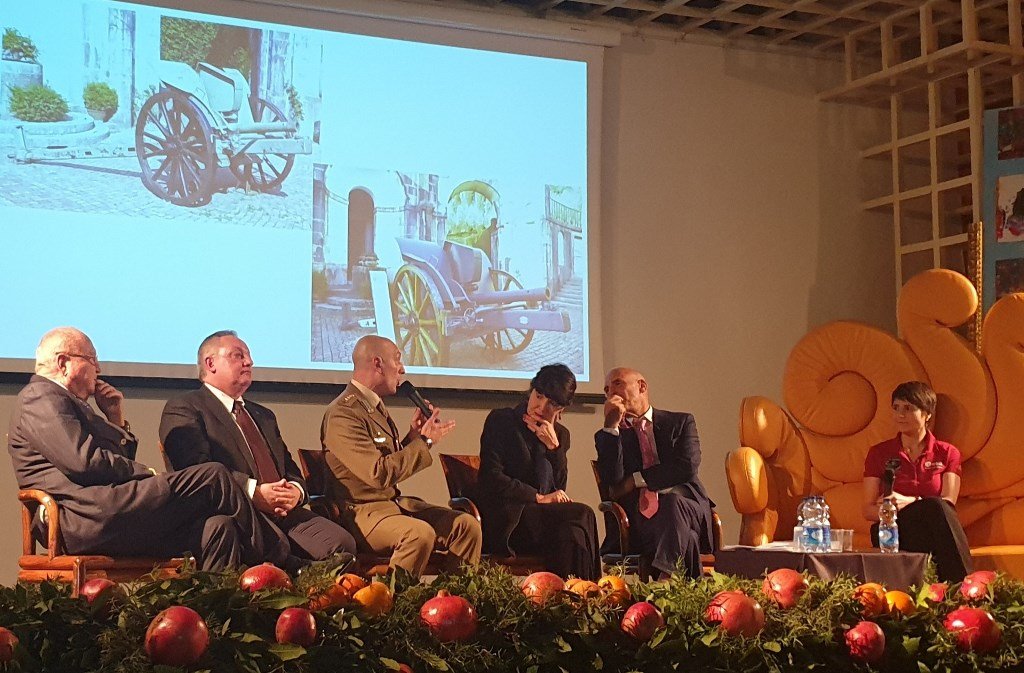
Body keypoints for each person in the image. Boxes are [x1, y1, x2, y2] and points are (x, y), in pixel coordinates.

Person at [8, 327, 292, 571]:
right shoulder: (40, 396)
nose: (99, 369)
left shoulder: (70, 403)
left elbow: (107, 463)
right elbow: (84, 462)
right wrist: (147, 473)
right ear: (63, 363)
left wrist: (115, 418)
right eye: (92, 360)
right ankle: (281, 559)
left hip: (106, 510)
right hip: (80, 516)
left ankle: (214, 611)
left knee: (218, 527)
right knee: (213, 476)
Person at [160, 331, 357, 573]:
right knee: (276, 544)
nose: (249, 362)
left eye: (249, 356)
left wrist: (295, 492)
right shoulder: (185, 408)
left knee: (342, 544)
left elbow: (289, 468)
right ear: (210, 364)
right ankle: (292, 575)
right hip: (234, 512)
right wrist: (253, 492)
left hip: (282, 513)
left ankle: (302, 586)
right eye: (238, 355)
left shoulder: (263, 415)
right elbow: (196, 471)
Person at [320, 335, 482, 577]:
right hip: (362, 512)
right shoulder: (343, 413)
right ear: (377, 363)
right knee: (418, 534)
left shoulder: (373, 407)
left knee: (466, 526)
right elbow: (378, 474)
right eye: (397, 360)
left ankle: (453, 597)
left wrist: (414, 437)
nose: (403, 369)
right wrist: (425, 442)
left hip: (391, 505)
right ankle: (392, 600)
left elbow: (387, 460)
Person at [478, 364, 599, 580]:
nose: (541, 406)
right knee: (583, 514)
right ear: (531, 391)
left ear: (562, 409)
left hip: (544, 521)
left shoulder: (560, 434)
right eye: (539, 396)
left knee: (571, 533)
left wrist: (554, 449)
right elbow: (490, 477)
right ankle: (591, 591)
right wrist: (538, 497)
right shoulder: (502, 421)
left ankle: (567, 595)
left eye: (552, 403)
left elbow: (559, 488)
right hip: (510, 519)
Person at [595, 367, 715, 579]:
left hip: (689, 507)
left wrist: (636, 479)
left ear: (641, 386)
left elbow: (686, 466)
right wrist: (611, 426)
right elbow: (612, 481)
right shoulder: (609, 435)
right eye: (606, 390)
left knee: (671, 503)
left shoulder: (680, 422)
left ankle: (666, 579)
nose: (611, 392)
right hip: (640, 522)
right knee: (688, 537)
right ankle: (669, 582)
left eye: (617, 383)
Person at [862, 380, 973, 582]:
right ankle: (966, 587)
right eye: (896, 408)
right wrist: (891, 509)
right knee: (935, 511)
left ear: (927, 414)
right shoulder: (879, 453)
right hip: (892, 529)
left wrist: (912, 501)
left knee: (937, 508)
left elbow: (948, 503)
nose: (900, 415)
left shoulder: (947, 452)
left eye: (908, 408)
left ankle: (956, 588)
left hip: (932, 528)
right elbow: (868, 510)